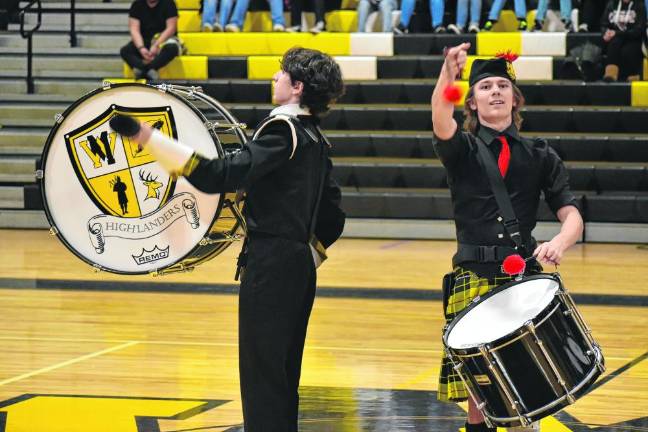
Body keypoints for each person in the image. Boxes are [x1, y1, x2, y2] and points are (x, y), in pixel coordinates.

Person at [110, 47, 346, 432]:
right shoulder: (315, 138)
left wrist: (147, 137)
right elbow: (334, 216)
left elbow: (218, 175)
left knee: (262, 375)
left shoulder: (282, 129)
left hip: (271, 263)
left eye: (281, 74)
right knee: (282, 372)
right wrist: (306, 251)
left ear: (298, 87)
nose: (275, 78)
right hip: (299, 265)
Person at [431, 43, 584, 432]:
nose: (495, 91)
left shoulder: (540, 154)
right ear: (472, 102)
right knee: (479, 397)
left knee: (528, 384)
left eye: (503, 85)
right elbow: (439, 116)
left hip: (522, 278)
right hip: (474, 273)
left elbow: (571, 215)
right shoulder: (461, 149)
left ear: (515, 100)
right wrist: (449, 73)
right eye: (485, 87)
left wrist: (560, 242)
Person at [120, 0, 180, 80]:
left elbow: (171, 28)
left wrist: (156, 44)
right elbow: (134, 30)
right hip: (144, 41)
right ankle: (148, 69)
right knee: (125, 50)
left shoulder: (169, 3)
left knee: (172, 48)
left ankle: (143, 69)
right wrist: (141, 48)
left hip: (164, 40)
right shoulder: (137, 4)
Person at [600, 0, 646, 82]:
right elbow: (604, 24)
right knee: (614, 44)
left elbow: (639, 30)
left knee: (627, 51)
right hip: (615, 39)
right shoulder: (611, 4)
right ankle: (610, 74)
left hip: (633, 39)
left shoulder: (639, 5)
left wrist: (617, 33)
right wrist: (606, 32)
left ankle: (632, 75)